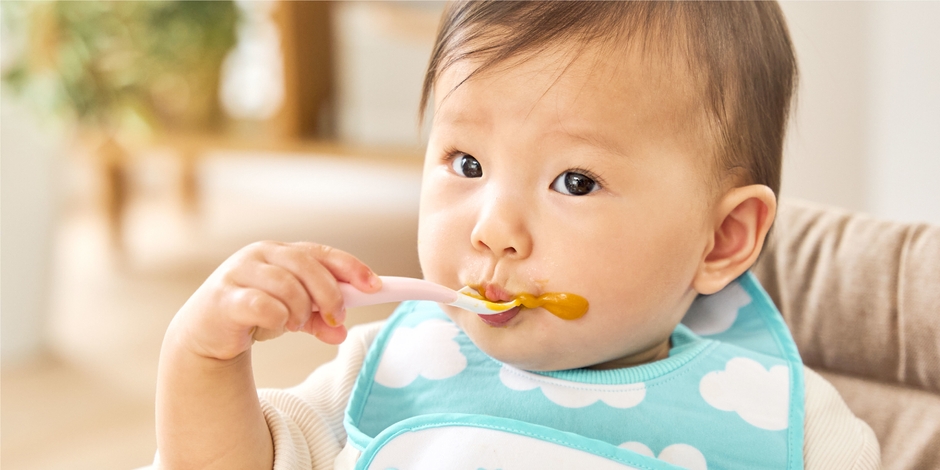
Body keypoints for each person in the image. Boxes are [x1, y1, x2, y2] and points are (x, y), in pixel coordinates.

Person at [154, 2, 880, 469]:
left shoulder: (792, 427)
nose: (492, 228)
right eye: (466, 163)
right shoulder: (384, 372)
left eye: (576, 181)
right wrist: (203, 358)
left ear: (721, 239)